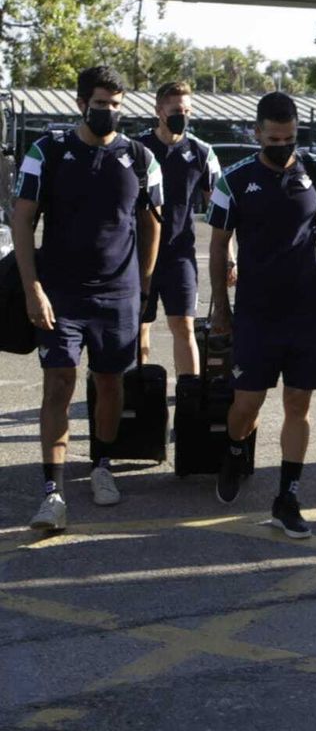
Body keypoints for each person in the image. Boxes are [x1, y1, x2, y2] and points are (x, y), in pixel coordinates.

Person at [13, 65, 163, 530]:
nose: (109, 113)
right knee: (58, 383)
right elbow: (22, 221)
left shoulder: (140, 157)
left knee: (110, 383)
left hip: (119, 294)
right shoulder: (48, 152)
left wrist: (143, 287)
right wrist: (32, 288)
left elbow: (153, 222)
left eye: (116, 106)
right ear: (81, 103)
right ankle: (52, 491)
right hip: (60, 293)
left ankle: (102, 465)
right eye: (100, 105)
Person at [206, 92, 316, 539]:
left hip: (307, 310)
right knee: (246, 406)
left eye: (290, 137)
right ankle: (235, 449)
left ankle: (287, 496)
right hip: (255, 311)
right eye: (274, 138)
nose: (283, 145)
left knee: (298, 402)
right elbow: (219, 245)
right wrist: (222, 308)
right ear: (257, 133)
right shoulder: (235, 180)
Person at [136, 80, 222, 377]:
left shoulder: (202, 152)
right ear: (159, 110)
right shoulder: (137, 148)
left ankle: (190, 393)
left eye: (186, 110)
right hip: (139, 256)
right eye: (175, 110)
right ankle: (137, 388)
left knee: (183, 325)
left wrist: (231, 257)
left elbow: (220, 212)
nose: (181, 116)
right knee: (138, 325)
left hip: (180, 255)